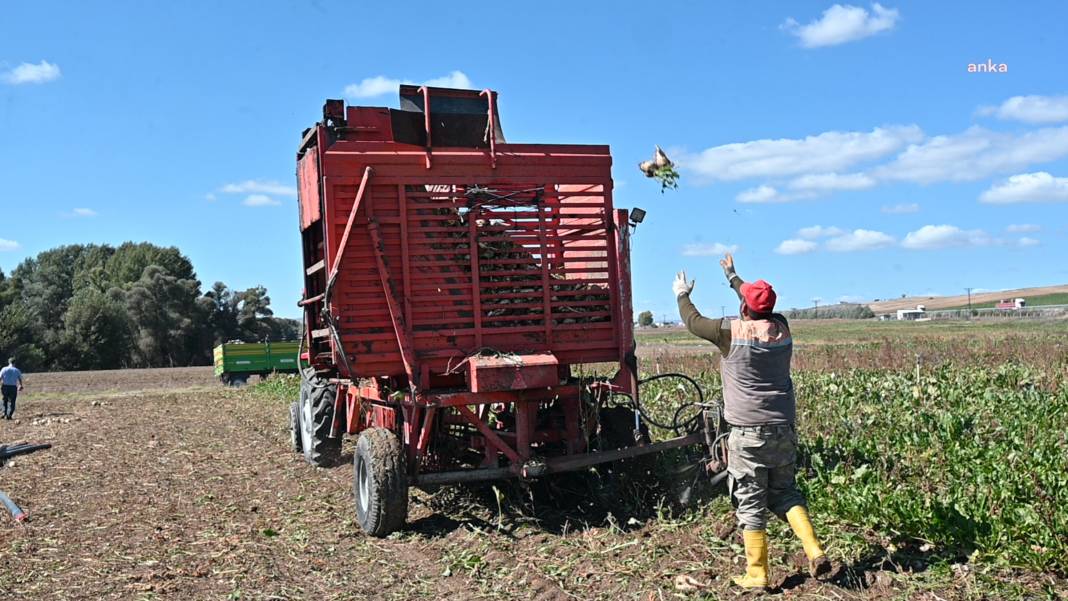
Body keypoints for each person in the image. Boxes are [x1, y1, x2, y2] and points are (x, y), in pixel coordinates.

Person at [673, 253, 830, 590]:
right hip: (783, 429)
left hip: (748, 435)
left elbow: (693, 321)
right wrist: (733, 276)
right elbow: (755, 299)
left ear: (745, 307)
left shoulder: (730, 332)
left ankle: (757, 574)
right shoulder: (783, 327)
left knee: (751, 502)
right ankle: (814, 549)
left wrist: (681, 293)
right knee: (786, 492)